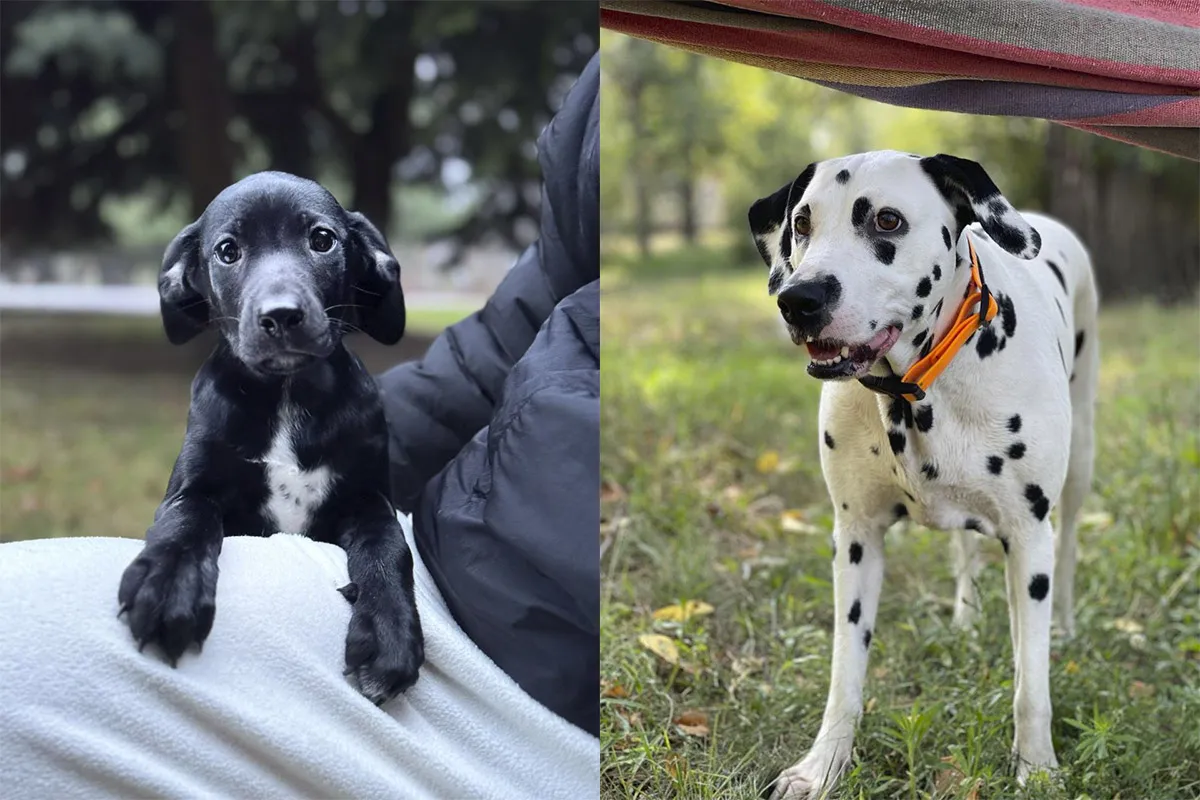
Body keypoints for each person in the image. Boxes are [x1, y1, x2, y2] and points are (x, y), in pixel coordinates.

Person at [0, 54, 599, 800]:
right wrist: (184, 544)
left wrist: (385, 583)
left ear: (363, 264)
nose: (276, 295)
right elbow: (195, 497)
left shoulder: (352, 407)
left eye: (315, 241)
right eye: (233, 252)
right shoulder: (218, 406)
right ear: (189, 281)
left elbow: (368, 513)